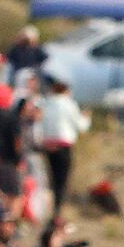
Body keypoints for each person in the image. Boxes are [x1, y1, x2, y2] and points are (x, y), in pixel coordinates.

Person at [40, 76, 91, 214]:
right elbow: (81, 126)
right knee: (62, 180)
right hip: (63, 146)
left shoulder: (46, 103)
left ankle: (52, 207)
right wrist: (87, 117)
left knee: (52, 177)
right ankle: (57, 210)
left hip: (48, 145)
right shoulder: (69, 104)